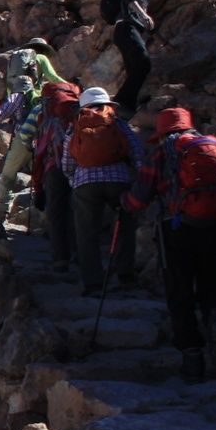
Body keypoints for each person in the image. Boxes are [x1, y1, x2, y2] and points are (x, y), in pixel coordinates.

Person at [123, 107, 216, 382]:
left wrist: (124, 203)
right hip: (215, 224)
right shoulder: (211, 145)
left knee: (179, 288)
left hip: (175, 226)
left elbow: (139, 197)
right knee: (212, 284)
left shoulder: (162, 152)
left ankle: (192, 356)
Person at [60, 86, 141, 296]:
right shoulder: (117, 123)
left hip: (85, 182)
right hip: (119, 180)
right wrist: (138, 178)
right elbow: (136, 151)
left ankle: (93, 282)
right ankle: (125, 276)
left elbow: (67, 162)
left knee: (87, 233)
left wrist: (73, 180)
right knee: (125, 227)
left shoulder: (76, 126)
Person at [30, 80, 80, 272]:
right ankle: (79, 254)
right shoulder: (79, 116)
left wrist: (38, 189)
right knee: (77, 211)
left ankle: (61, 259)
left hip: (55, 169)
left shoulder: (47, 120)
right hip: (81, 168)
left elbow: (40, 155)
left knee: (57, 213)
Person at [102, 0, 155, 115]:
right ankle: (121, 102)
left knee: (134, 69)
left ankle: (128, 106)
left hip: (125, 30)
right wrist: (144, 15)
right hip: (126, 27)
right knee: (143, 63)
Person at [0, 76, 39, 223]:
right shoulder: (39, 96)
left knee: (8, 173)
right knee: (39, 173)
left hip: (23, 138)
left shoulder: (17, 96)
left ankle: (2, 211)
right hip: (42, 139)